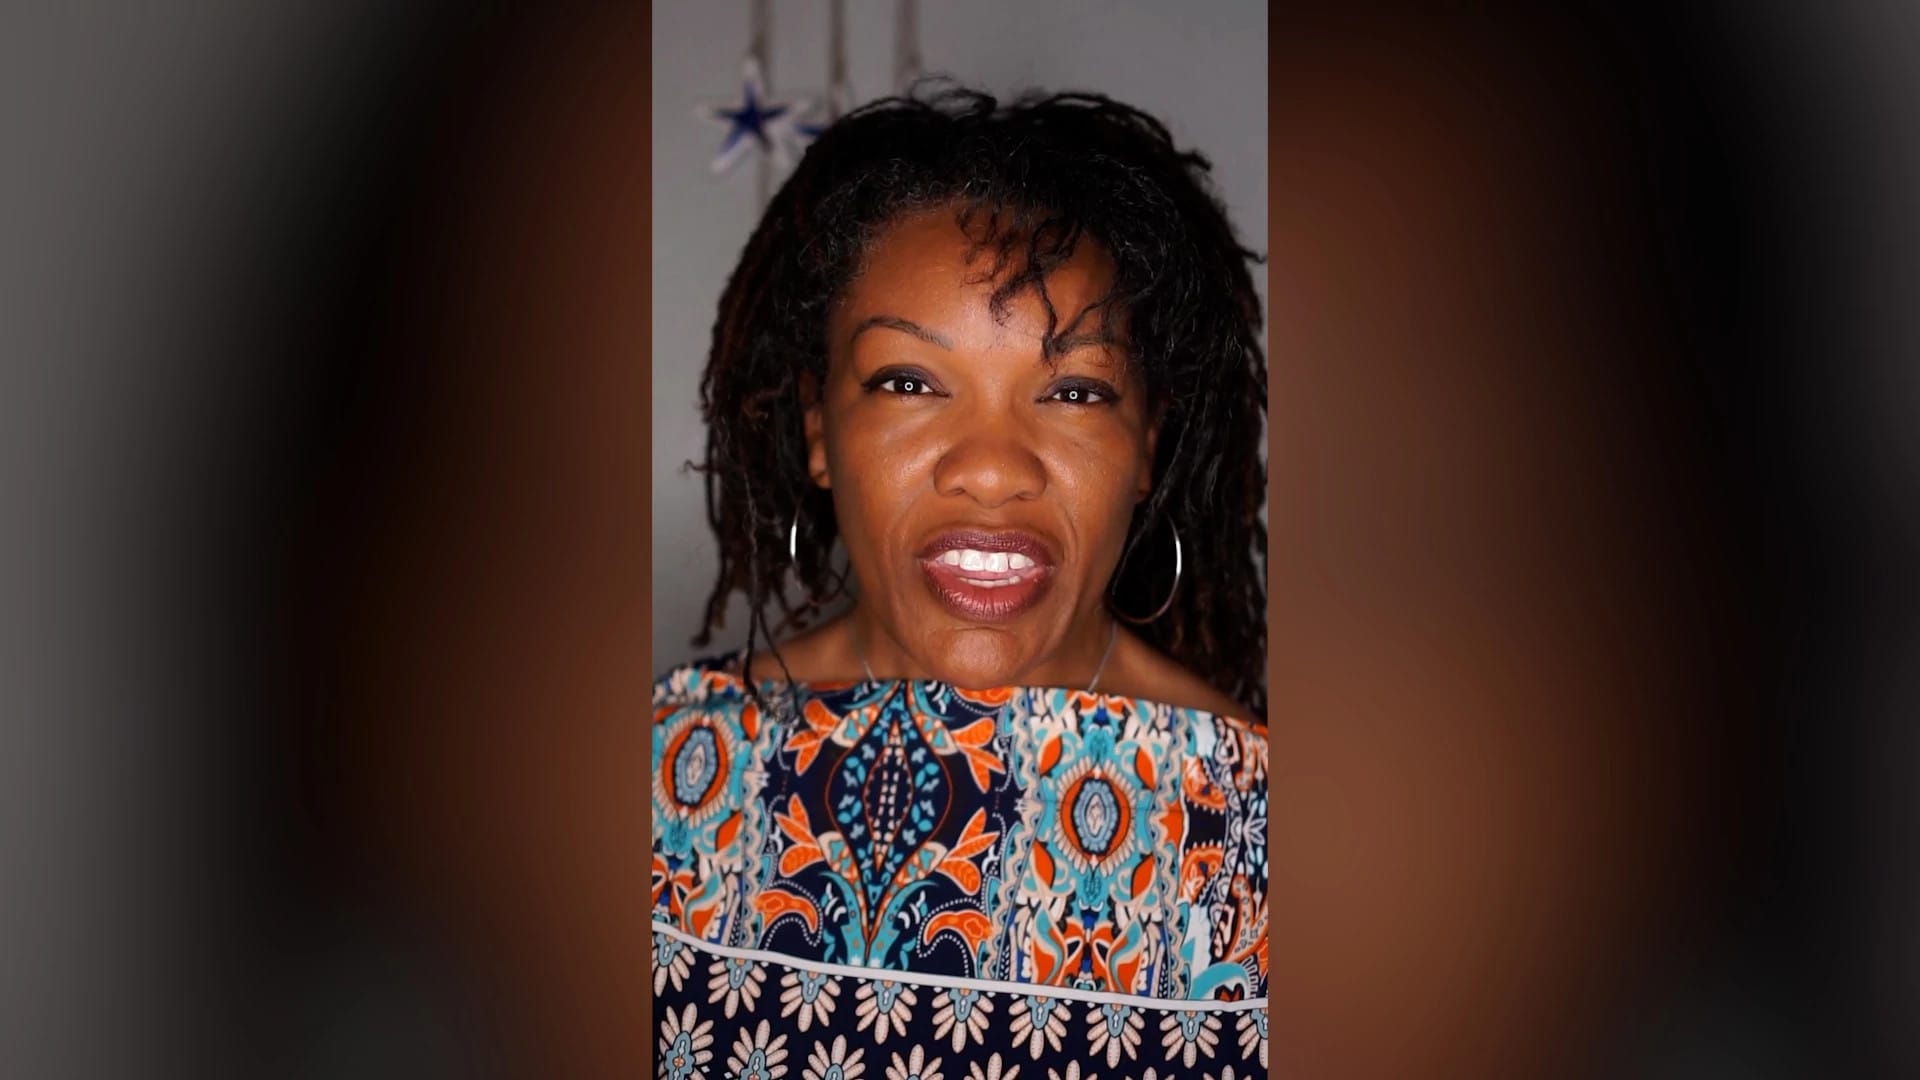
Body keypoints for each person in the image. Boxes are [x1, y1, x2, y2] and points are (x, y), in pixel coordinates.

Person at [652, 86, 1268, 1078]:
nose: (990, 468)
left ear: (1147, 448)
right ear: (818, 429)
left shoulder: (1269, 827)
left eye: (1075, 391)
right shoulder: (657, 780)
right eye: (909, 382)